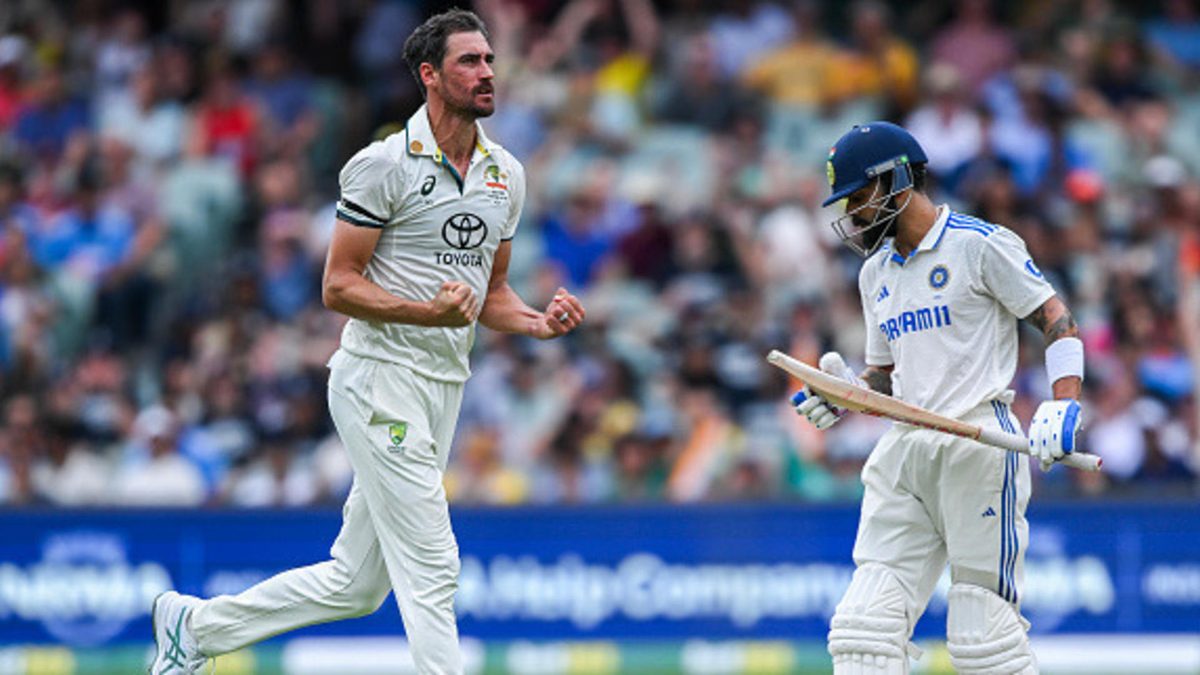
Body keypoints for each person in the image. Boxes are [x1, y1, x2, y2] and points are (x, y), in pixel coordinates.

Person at [149, 9, 585, 674]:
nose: (488, 72)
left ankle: (196, 626)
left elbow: (490, 294)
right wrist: (424, 312)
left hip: (442, 388)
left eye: (490, 59)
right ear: (430, 76)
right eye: (470, 62)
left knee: (356, 584)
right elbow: (337, 285)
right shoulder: (381, 166)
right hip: (377, 377)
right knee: (434, 561)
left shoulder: (507, 175)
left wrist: (537, 322)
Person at [792, 122, 1084, 674]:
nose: (853, 215)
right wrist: (844, 394)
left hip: (976, 442)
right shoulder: (874, 271)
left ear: (898, 180)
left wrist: (1063, 402)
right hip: (905, 450)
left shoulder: (979, 243)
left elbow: (1057, 320)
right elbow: (885, 376)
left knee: (982, 637)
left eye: (859, 197)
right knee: (863, 632)